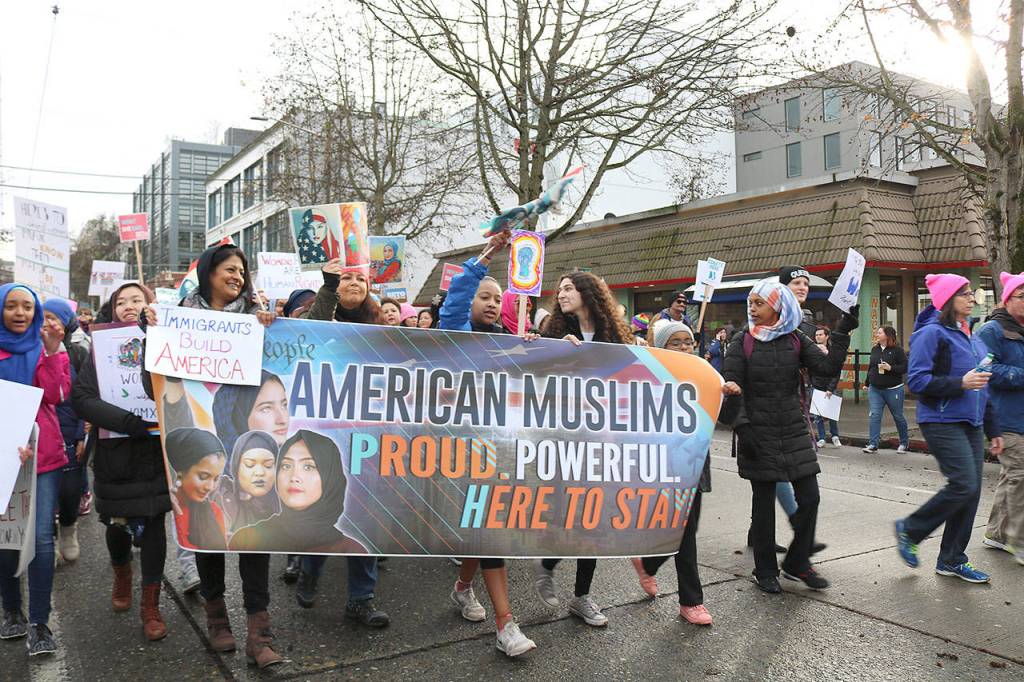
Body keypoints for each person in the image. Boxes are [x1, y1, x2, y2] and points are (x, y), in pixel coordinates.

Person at [143, 243, 282, 668]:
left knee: (255, 536)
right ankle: (218, 618)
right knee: (209, 533)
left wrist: (271, 330)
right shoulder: (176, 320)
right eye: (229, 268)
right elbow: (156, 387)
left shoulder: (257, 322)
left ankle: (260, 632)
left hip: (247, 445)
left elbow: (278, 371)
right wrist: (152, 334)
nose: (238, 276)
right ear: (207, 273)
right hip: (203, 445)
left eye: (242, 270)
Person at [720, 279, 855, 594]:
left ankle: (797, 562)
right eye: (751, 303)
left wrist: (843, 330)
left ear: (777, 307)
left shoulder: (795, 339)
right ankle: (765, 570)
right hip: (757, 431)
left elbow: (826, 367)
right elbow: (730, 384)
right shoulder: (742, 342)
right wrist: (742, 426)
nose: (752, 309)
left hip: (793, 430)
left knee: (810, 498)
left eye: (759, 303)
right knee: (763, 505)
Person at [438, 231, 536, 657]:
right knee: (489, 530)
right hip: (462, 451)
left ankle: (462, 588)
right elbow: (455, 299)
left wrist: (545, 349)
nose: (492, 302)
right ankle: (505, 624)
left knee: (485, 529)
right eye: (485, 295)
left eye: (498, 297)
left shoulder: (510, 342)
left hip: (502, 450)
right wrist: (486, 257)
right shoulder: (454, 334)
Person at [71, 283, 173, 642]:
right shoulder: (100, 348)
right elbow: (82, 398)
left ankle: (151, 605)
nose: (129, 306)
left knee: (155, 523)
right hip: (116, 452)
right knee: (116, 525)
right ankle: (121, 574)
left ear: (150, 304)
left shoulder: (167, 338)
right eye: (121, 301)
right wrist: (128, 422)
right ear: (112, 309)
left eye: (137, 299)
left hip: (155, 453)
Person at [536, 270, 636, 627]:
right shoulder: (554, 332)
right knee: (567, 511)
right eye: (559, 288)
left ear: (588, 293)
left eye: (568, 288)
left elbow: (634, 377)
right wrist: (556, 355)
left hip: (602, 441)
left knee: (592, 516)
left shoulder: (615, 335)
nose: (561, 294)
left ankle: (582, 596)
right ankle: (547, 567)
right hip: (564, 439)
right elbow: (535, 373)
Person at [298, 255, 390, 629]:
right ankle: (309, 569)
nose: (354, 282)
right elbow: (312, 332)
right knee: (326, 512)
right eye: (346, 277)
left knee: (362, 520)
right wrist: (328, 285)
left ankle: (361, 599)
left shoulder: (384, 329)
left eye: (360, 279)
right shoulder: (319, 315)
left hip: (366, 438)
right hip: (324, 431)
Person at [895, 275, 1004, 583]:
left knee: (970, 493)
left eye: (973, 293)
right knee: (963, 485)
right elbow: (916, 382)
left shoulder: (971, 335)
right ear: (947, 299)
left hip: (971, 422)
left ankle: (952, 560)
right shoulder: (931, 333)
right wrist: (960, 383)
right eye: (965, 294)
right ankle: (911, 530)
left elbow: (984, 385)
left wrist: (993, 429)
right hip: (940, 420)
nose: (972, 299)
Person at [0, 283, 70, 656]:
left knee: (42, 540)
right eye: (11, 306)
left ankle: (40, 624)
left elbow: (58, 395)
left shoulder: (47, 350)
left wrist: (54, 351)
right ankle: (12, 610)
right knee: (6, 539)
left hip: (42, 459)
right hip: (3, 459)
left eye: (28, 306)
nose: (20, 313)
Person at [630, 319, 714, 625]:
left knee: (685, 528)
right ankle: (691, 601)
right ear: (659, 348)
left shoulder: (704, 376)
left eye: (687, 342)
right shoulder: (647, 378)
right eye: (674, 343)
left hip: (694, 463)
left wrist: (730, 393)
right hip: (663, 465)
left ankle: (647, 563)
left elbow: (724, 416)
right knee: (684, 531)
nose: (682, 348)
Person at [230, 431, 364, 553]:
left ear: (330, 477)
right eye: (286, 466)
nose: (294, 477)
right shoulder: (246, 540)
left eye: (308, 466)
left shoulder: (351, 550)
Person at [977, 271, 1024, 566]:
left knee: (1012, 476)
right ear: (1007, 299)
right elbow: (984, 370)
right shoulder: (991, 331)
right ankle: (1019, 542)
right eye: (1023, 296)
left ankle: (995, 533)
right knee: (1021, 476)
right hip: (1002, 419)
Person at [42, 298, 88, 564]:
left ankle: (69, 529)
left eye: (53, 317)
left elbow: (84, 397)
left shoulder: (78, 354)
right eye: (43, 316)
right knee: (45, 497)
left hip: (70, 435)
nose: (46, 322)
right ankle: (50, 538)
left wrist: (81, 433)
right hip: (42, 436)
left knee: (70, 493)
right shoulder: (30, 351)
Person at [217, 431, 280, 536]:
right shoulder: (218, 494)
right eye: (249, 464)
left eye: (268, 465)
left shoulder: (289, 505)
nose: (259, 473)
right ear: (236, 467)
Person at [863, 326, 910, 454]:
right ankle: (873, 444)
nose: (877, 334)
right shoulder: (875, 349)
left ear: (887, 335)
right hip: (875, 389)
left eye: (879, 332)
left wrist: (891, 368)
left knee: (898, 416)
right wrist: (867, 383)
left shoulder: (897, 350)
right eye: (877, 332)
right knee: (875, 415)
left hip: (893, 389)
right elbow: (871, 367)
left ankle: (904, 443)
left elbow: (905, 367)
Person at [810, 325, 842, 449]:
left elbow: (836, 370)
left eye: (821, 334)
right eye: (816, 335)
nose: (818, 337)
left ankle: (835, 436)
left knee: (832, 413)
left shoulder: (833, 350)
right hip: (816, 384)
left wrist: (830, 388)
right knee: (818, 415)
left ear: (827, 336)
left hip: (830, 385)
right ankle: (822, 438)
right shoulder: (812, 350)